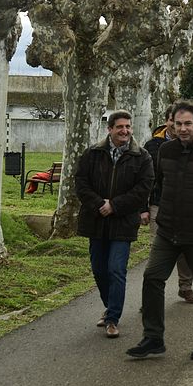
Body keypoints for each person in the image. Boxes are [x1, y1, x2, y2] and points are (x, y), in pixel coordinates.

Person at [127, 101, 193, 360]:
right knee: (152, 278)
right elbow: (159, 183)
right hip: (168, 231)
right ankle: (153, 338)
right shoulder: (165, 151)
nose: (183, 128)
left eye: (188, 123)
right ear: (172, 124)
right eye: (178, 124)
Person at [75, 110, 154, 339]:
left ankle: (112, 319)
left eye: (128, 127)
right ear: (109, 129)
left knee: (116, 269)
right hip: (96, 220)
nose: (125, 131)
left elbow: (143, 188)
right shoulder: (92, 153)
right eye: (120, 127)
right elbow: (81, 183)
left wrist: (115, 205)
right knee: (99, 269)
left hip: (123, 222)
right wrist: (100, 204)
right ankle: (110, 306)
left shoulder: (142, 157)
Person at [144, 106, 193, 303]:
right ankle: (153, 296)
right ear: (167, 121)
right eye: (174, 121)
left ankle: (186, 287)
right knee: (158, 250)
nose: (178, 126)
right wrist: (143, 208)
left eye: (182, 122)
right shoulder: (153, 145)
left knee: (185, 249)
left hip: (186, 207)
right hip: (159, 203)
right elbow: (147, 178)